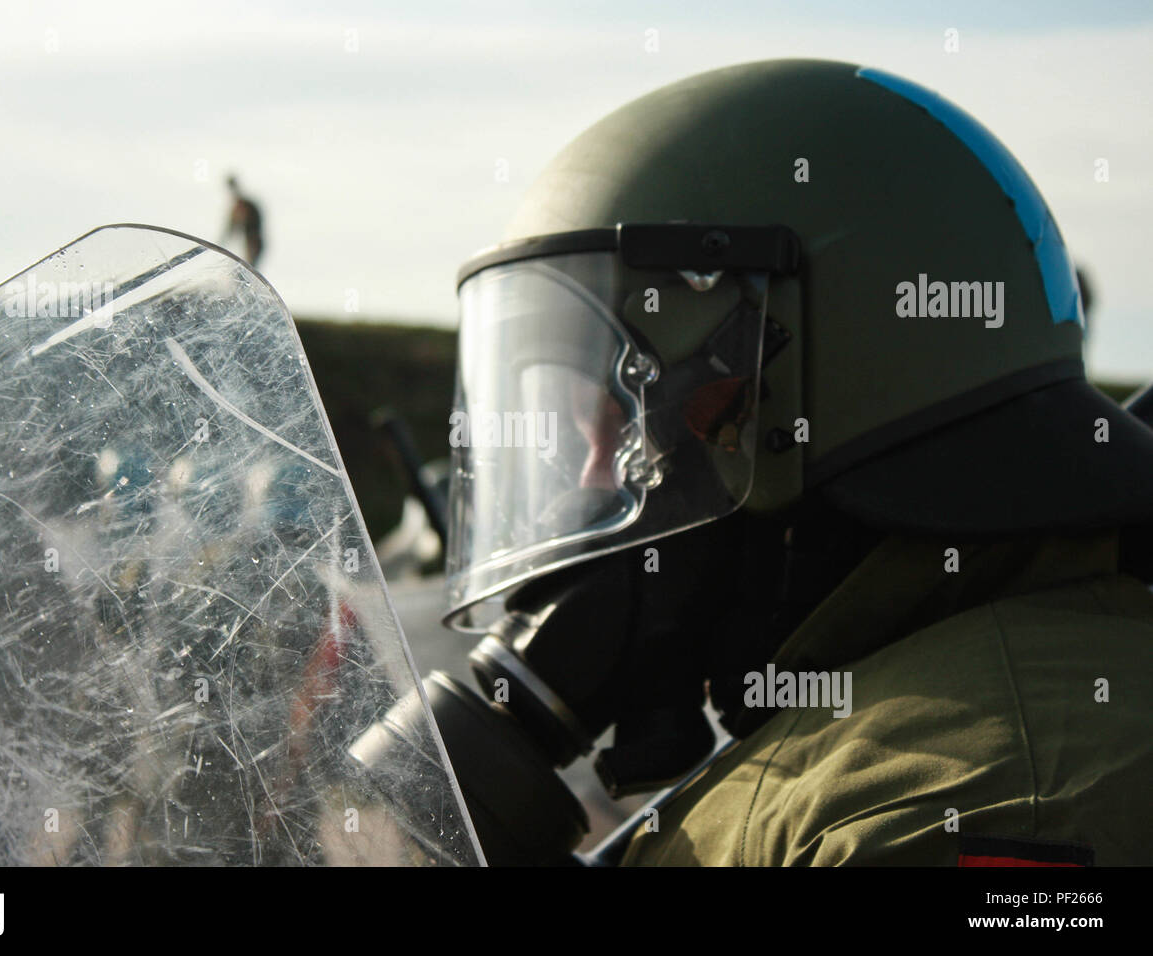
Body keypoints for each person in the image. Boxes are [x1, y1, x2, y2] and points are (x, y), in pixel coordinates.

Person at [440, 59, 1153, 865]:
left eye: (625, 427)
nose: (589, 480)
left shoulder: (976, 797)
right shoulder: (880, 719)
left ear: (786, 390)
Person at [223, 174, 264, 268]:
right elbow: (231, 228)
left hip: (253, 241)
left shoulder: (243, 206)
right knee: (247, 268)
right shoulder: (240, 206)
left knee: (249, 268)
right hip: (252, 242)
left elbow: (232, 227)